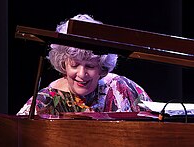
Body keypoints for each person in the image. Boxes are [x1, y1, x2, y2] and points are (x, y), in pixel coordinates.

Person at [17, 14, 152, 116]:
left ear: (102, 67)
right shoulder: (44, 100)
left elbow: (158, 125)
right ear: (64, 64)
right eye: (75, 65)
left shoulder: (121, 88)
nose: (81, 74)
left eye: (90, 66)